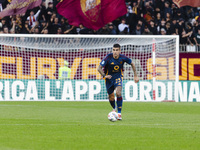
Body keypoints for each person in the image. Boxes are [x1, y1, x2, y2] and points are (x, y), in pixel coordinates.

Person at [97, 44, 139, 120]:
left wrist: (135, 75)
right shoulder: (108, 57)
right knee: (111, 97)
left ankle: (119, 113)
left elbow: (132, 63)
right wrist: (104, 75)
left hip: (118, 77)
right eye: (114, 50)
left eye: (117, 50)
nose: (115, 52)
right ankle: (114, 108)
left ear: (119, 51)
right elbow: (99, 68)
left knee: (118, 92)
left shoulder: (123, 57)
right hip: (109, 79)